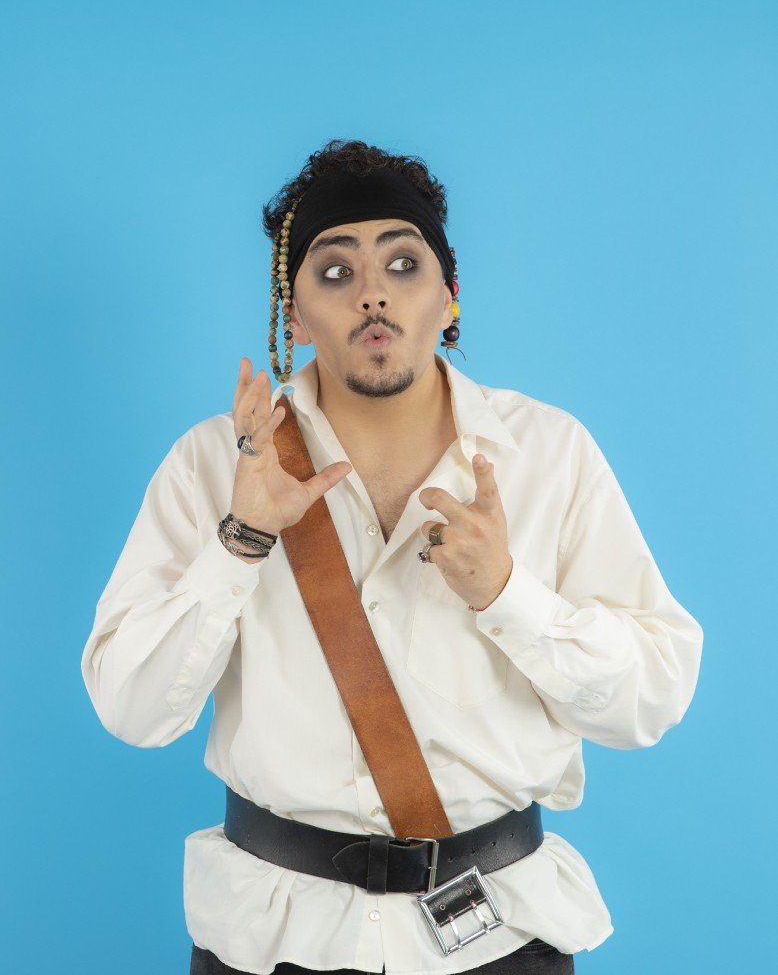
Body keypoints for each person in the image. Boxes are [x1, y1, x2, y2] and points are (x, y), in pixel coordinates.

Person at [81, 139, 704, 975]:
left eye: (404, 265)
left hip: (498, 941)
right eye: (335, 271)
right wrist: (241, 541)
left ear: (449, 296)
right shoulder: (214, 466)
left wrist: (508, 595)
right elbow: (131, 710)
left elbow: (651, 700)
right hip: (274, 943)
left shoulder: (550, 455)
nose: (372, 292)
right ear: (292, 315)